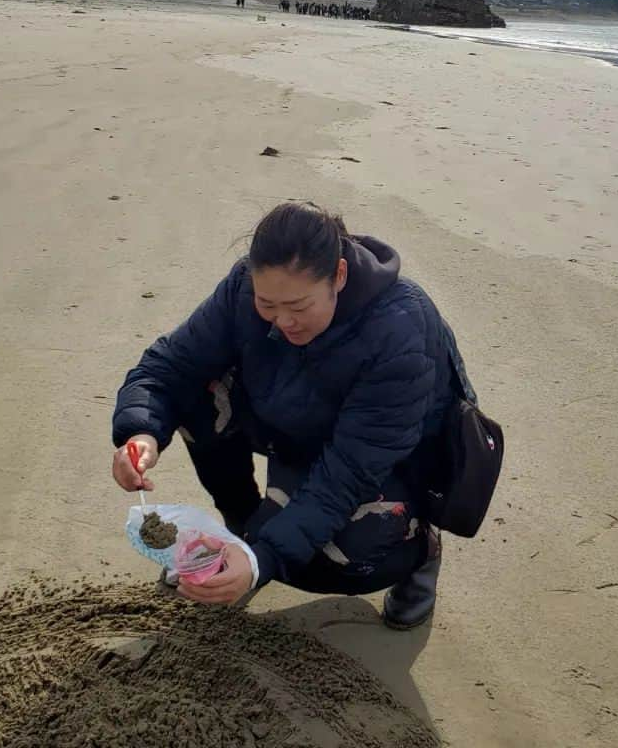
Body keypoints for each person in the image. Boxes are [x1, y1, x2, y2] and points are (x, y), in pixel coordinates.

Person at [111, 202, 470, 629]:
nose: (283, 322)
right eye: (268, 305)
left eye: (299, 307)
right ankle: (240, 535)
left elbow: (348, 475)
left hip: (384, 463)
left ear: (338, 276)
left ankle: (419, 552)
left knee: (346, 556)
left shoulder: (400, 329)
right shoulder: (243, 289)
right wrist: (141, 432)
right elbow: (169, 367)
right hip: (298, 425)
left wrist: (264, 560)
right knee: (195, 394)